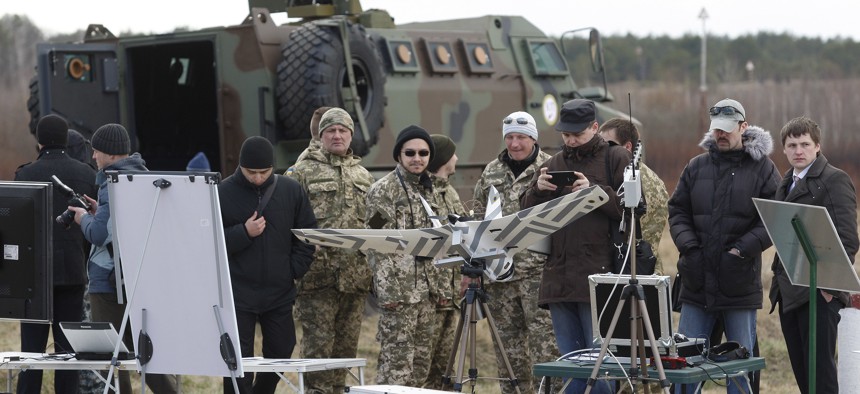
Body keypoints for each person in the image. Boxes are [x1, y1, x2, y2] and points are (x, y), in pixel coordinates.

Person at [668, 98, 780, 394]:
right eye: (717, 128)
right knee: (683, 365)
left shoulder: (764, 170)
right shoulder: (696, 166)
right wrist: (690, 249)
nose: (721, 134)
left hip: (738, 285)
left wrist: (739, 251)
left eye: (728, 129)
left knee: (739, 368)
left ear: (743, 127)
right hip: (695, 283)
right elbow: (677, 211)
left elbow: (773, 219)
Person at [520, 99, 628, 394]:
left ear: (595, 128)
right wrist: (537, 191)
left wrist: (596, 193)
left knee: (600, 370)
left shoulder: (617, 158)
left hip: (600, 278)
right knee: (570, 368)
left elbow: (634, 209)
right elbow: (525, 214)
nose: (570, 140)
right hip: (559, 278)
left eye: (577, 134)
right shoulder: (553, 163)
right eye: (565, 134)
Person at [69, 123, 180, 394]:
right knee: (147, 356)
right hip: (136, 278)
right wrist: (100, 211)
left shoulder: (111, 183)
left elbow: (98, 234)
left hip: (107, 282)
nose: (93, 157)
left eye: (97, 151)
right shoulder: (141, 178)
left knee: (111, 359)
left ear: (110, 154)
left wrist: (83, 219)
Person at [286, 108, 375, 394]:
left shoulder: (363, 176)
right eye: (330, 131)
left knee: (345, 356)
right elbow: (286, 221)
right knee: (317, 355)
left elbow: (375, 224)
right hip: (317, 279)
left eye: (343, 131)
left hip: (355, 280)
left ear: (351, 135)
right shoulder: (301, 171)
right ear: (321, 135)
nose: (337, 135)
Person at [218, 136, 317, 394]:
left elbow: (306, 237)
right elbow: (209, 243)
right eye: (252, 172)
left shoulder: (291, 190)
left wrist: (292, 271)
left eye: (265, 172)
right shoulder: (221, 192)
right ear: (241, 167)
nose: (259, 178)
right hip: (237, 293)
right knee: (238, 360)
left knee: (282, 349)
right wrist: (243, 232)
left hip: (279, 291)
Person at [768, 116, 858, 394]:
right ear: (783, 149)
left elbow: (848, 239)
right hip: (789, 291)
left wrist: (829, 288)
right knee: (804, 377)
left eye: (805, 144)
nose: (798, 150)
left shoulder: (835, 179)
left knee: (822, 380)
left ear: (817, 146)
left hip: (819, 293)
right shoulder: (786, 182)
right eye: (792, 144)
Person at [473, 111, 559, 394]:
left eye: (521, 137)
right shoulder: (491, 172)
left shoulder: (552, 167)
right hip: (500, 276)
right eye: (509, 137)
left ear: (533, 138)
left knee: (546, 347)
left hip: (540, 275)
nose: (514, 143)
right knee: (508, 351)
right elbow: (477, 216)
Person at [14, 115, 97, 394]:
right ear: (66, 139)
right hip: (74, 273)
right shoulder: (86, 174)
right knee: (68, 357)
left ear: (39, 141)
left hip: (33, 280)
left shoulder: (24, 175)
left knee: (31, 356)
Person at [365, 125, 437, 386]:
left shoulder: (430, 189)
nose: (417, 158)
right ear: (399, 155)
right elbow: (374, 243)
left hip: (427, 294)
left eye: (423, 153)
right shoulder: (384, 191)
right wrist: (389, 293)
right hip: (399, 295)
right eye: (410, 152)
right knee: (396, 367)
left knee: (420, 366)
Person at [422, 134, 466, 390]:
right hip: (429, 294)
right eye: (453, 153)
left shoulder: (448, 192)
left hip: (451, 294)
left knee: (446, 367)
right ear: (444, 159)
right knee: (424, 364)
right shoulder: (424, 194)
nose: (457, 158)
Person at [598, 118, 669, 275]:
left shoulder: (635, 181)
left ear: (627, 147)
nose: (603, 152)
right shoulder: (652, 178)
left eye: (608, 145)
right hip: (647, 267)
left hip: (632, 269)